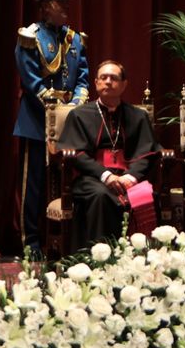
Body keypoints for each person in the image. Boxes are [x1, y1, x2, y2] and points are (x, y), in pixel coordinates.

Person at [13, 0, 89, 255]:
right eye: (60, 4)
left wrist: (81, 98)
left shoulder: (75, 38)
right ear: (45, 7)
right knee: (35, 186)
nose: (66, 9)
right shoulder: (30, 37)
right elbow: (32, 81)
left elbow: (82, 75)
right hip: (37, 122)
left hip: (71, 121)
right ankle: (31, 243)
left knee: (70, 183)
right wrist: (52, 104)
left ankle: (68, 242)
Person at [57, 60, 161, 249]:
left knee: (147, 196)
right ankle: (100, 258)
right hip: (92, 178)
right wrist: (106, 175)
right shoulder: (79, 115)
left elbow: (148, 151)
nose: (107, 82)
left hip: (129, 178)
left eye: (113, 78)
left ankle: (142, 259)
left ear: (124, 84)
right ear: (96, 83)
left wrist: (131, 176)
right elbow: (76, 153)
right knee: (101, 196)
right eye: (103, 78)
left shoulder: (138, 116)